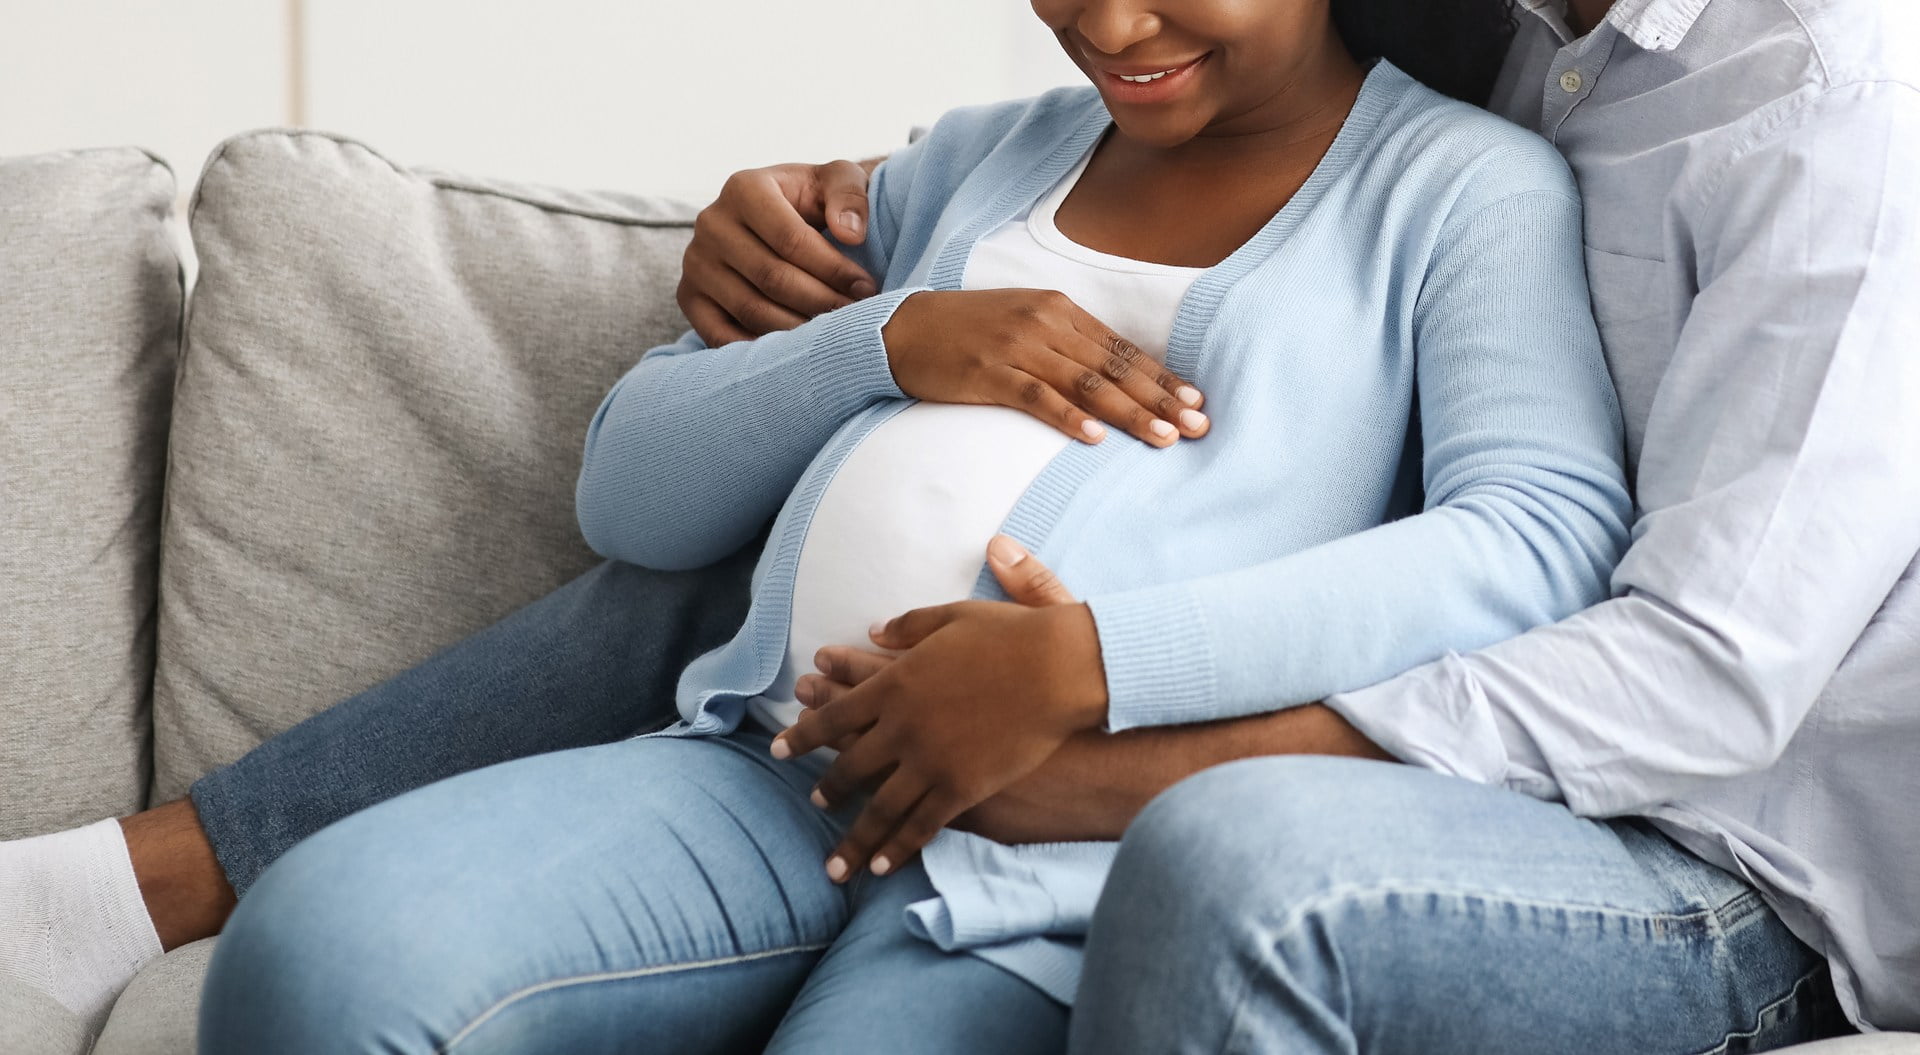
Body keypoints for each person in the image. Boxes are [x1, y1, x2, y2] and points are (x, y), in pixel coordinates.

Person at [188, 0, 1644, 1049]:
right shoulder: (974, 158)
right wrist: (887, 338)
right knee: (318, 959)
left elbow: (1536, 533)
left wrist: (1087, 663)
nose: (1114, 24)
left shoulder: (1461, 191)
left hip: (1064, 868)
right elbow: (630, 492)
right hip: (769, 776)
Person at [681, 0, 1920, 1050]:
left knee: (1232, 862)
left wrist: (1115, 754)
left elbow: (1708, 673)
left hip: (1733, 854)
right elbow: (1205, 108)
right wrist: (846, 209)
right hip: (1468, 730)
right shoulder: (1505, 31)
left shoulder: (1844, 108)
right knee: (692, 571)